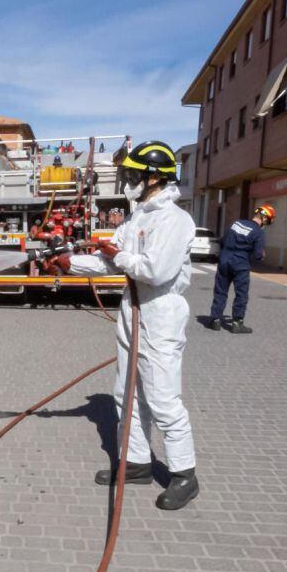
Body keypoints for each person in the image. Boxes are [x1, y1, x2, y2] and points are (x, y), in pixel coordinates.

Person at [48, 141, 199, 510]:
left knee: (162, 399)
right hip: (132, 310)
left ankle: (184, 475)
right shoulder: (137, 218)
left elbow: (155, 271)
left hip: (160, 312)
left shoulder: (173, 220)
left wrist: (120, 255)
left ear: (153, 177)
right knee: (126, 392)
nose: (127, 181)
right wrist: (70, 264)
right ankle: (136, 464)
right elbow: (111, 263)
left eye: (132, 174)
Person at [206, 204, 275, 334]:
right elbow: (258, 255)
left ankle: (215, 320)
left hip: (225, 259)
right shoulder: (258, 232)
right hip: (240, 264)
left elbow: (224, 240)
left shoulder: (237, 223)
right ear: (265, 219)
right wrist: (261, 254)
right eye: (268, 222)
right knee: (241, 293)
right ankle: (237, 322)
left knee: (221, 290)